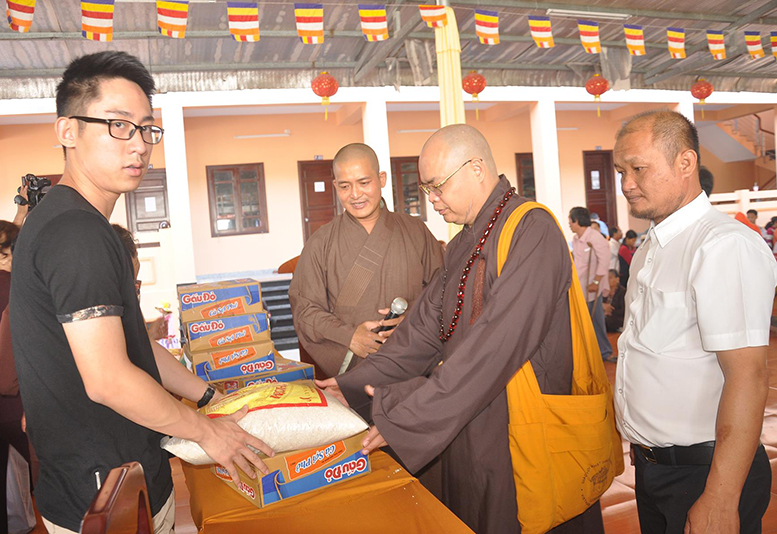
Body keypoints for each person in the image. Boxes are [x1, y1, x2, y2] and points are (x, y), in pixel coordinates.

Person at [10, 51, 273, 534]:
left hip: (116, 474)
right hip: (106, 491)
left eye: (147, 129)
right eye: (118, 125)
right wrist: (207, 432)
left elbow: (135, 346)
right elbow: (108, 379)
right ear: (67, 131)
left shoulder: (79, 223)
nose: (138, 145)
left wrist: (209, 395)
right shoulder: (75, 233)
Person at [318, 124, 606, 534]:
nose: (431, 200)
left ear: (476, 168)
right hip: (467, 418)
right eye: (426, 189)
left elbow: (495, 346)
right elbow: (419, 334)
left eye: (437, 186)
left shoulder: (532, 229)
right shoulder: (461, 244)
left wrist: (411, 416)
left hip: (521, 426)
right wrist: (348, 388)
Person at [613, 109, 777, 534]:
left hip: (706, 473)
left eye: (638, 169)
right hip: (653, 469)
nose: (626, 184)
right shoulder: (652, 247)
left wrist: (721, 497)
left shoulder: (724, 245)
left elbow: (747, 377)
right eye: (620, 171)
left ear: (685, 163)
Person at [288, 142, 443, 379]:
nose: (355, 194)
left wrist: (411, 316)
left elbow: (444, 289)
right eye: (345, 186)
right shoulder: (320, 242)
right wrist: (349, 337)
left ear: (381, 179)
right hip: (354, 369)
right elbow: (305, 309)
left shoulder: (415, 231)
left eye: (364, 182)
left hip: (413, 363)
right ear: (335, 186)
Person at [569, 207, 614, 362]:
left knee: (596, 320)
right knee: (584, 321)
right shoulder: (576, 239)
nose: (569, 224)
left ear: (577, 221)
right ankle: (589, 352)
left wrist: (596, 282)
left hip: (592, 287)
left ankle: (605, 351)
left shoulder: (595, 237)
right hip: (579, 286)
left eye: (570, 221)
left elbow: (604, 260)